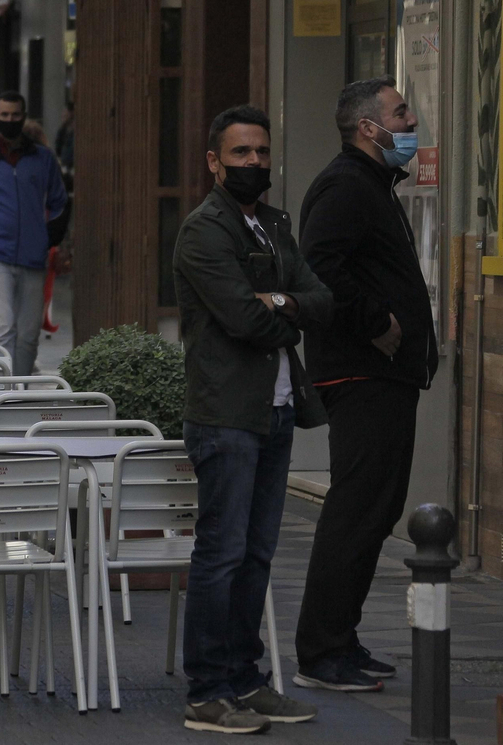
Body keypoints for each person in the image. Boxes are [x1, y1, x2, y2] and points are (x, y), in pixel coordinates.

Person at [172, 105, 330, 734]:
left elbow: (322, 299)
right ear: (214, 162)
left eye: (261, 152)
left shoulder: (272, 223)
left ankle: (247, 679)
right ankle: (208, 692)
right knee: (222, 554)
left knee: (258, 554)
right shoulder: (204, 231)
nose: (254, 163)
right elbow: (243, 319)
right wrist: (281, 306)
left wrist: (284, 299)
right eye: (240, 154)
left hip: (279, 408)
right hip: (227, 414)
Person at [294, 77, 437, 691]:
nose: (410, 124)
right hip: (362, 373)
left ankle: (341, 641)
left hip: (385, 373)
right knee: (356, 512)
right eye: (400, 114)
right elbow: (320, 267)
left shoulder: (372, 185)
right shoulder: (346, 184)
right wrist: (377, 322)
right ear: (367, 128)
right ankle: (321, 652)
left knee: (376, 510)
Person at [0, 91, 68, 375]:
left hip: (34, 257)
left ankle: (19, 391)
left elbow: (60, 202)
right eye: (4, 115)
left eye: (15, 115)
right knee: (4, 328)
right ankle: (2, 395)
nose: (9, 120)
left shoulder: (43, 159)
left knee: (29, 334)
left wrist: (49, 239)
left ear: (23, 116)